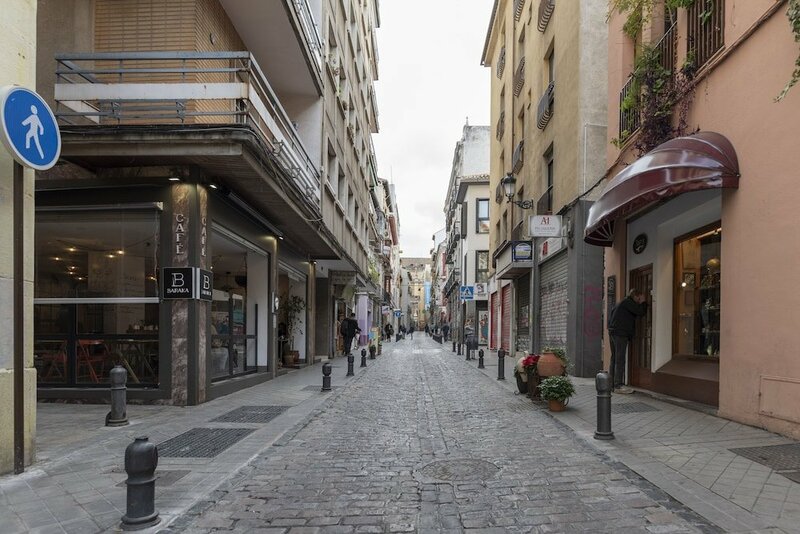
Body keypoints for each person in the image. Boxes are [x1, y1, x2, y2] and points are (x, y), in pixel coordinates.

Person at [608, 288, 647, 394]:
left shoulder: (622, 302)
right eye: (639, 298)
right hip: (620, 334)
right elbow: (640, 312)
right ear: (636, 296)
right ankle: (618, 385)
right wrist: (644, 302)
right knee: (619, 359)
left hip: (613, 332)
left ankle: (611, 384)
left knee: (614, 358)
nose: (639, 301)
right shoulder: (628, 303)